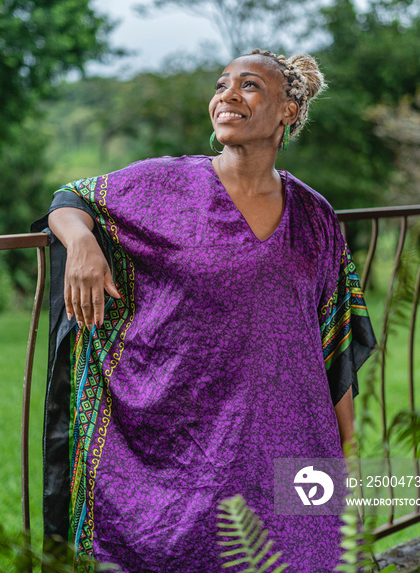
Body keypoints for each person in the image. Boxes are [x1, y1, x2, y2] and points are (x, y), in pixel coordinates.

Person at [33, 49, 377, 572]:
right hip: (190, 444)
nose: (228, 95)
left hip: (293, 443)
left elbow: (331, 340)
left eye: (250, 86)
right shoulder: (161, 185)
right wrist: (80, 241)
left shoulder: (314, 214)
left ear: (288, 111)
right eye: (222, 85)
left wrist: (349, 451)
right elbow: (70, 198)